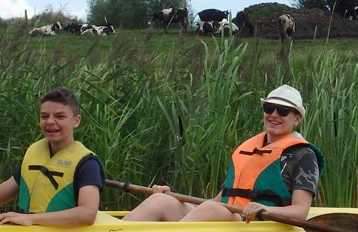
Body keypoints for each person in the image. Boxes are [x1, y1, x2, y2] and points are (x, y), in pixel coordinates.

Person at [122, 84, 324, 223]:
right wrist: (175, 197)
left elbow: (300, 212)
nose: (274, 115)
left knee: (211, 209)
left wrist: (264, 209)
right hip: (228, 215)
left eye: (283, 111)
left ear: (297, 119)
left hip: (258, 223)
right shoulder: (248, 148)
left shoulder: (303, 155)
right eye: (269, 108)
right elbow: (220, 200)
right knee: (161, 201)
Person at [0, 88, 104, 226]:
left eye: (59, 116)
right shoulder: (35, 154)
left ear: (76, 121)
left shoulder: (87, 163)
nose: (50, 122)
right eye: (44, 116)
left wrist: (32, 219)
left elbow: (87, 214)